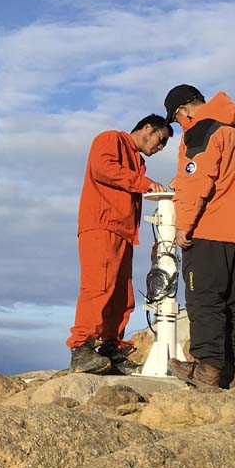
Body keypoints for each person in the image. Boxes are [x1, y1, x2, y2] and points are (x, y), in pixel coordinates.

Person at [162, 85, 235, 391]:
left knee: (203, 300)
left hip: (208, 228)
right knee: (233, 302)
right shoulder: (234, 129)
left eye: (177, 121)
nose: (181, 127)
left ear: (184, 111)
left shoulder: (200, 131)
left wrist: (183, 225)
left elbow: (197, 180)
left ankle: (208, 371)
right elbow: (217, 173)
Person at [67, 115, 171, 374]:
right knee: (99, 287)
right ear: (148, 128)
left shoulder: (137, 161)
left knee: (121, 294)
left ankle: (110, 348)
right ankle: (82, 348)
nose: (161, 147)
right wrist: (144, 184)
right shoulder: (111, 138)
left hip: (123, 232)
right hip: (102, 226)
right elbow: (103, 168)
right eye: (162, 139)